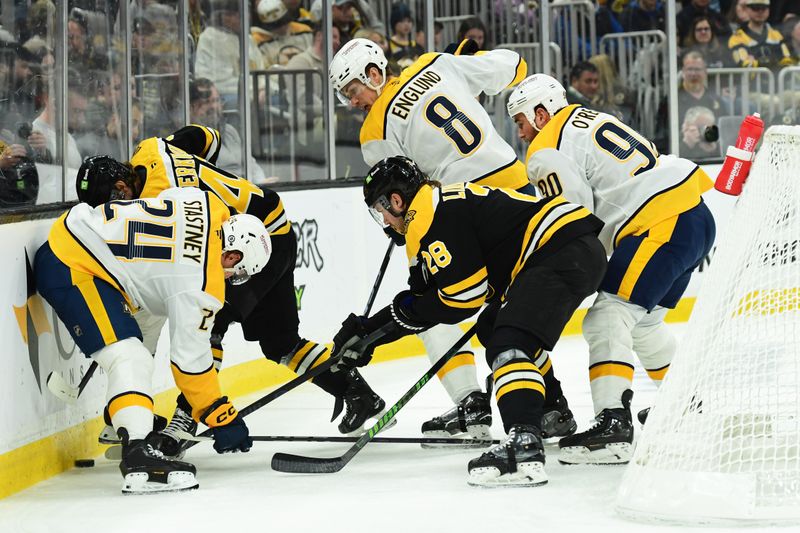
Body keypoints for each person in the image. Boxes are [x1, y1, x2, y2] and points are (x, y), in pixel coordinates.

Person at [75, 124, 385, 452]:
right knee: (280, 343)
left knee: (208, 325)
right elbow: (205, 136)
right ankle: (358, 394)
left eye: (112, 203)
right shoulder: (149, 150)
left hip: (246, 245)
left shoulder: (157, 200)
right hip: (273, 230)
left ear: (122, 187)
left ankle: (185, 421)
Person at [328, 38, 580, 442]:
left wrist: (400, 230)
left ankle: (471, 403)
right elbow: (515, 66)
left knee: (429, 304)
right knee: (507, 310)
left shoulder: (375, 129)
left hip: (456, 214)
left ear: (374, 74)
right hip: (517, 194)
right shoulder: (438, 63)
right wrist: (464, 65)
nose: (353, 102)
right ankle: (553, 407)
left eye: (353, 91)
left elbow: (399, 191)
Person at [329, 156, 606, 485]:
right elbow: (424, 301)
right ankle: (551, 410)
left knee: (510, 342)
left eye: (382, 210)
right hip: (569, 247)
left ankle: (524, 447)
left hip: (558, 250)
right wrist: (371, 333)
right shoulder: (434, 206)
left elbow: (462, 298)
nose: (386, 222)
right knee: (492, 327)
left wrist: (373, 333)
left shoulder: (428, 216)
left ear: (397, 200)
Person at [507, 74, 716, 464]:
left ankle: (612, 425)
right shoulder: (586, 118)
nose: (520, 133)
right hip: (693, 215)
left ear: (540, 113)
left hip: (659, 222)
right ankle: (685, 405)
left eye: (520, 122)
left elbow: (571, 217)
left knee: (607, 317)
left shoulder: (546, 147)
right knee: (645, 324)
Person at [35, 186, 269, 493]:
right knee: (131, 357)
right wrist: (220, 415)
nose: (231, 278)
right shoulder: (202, 285)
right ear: (232, 255)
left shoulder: (207, 201)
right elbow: (191, 361)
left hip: (77, 234)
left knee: (152, 312)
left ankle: (126, 410)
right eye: (235, 272)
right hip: (75, 266)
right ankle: (138, 453)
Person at [189, 77, 266, 183]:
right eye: (206, 102)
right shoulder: (191, 140)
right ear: (192, 108)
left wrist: (262, 183)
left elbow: (252, 165)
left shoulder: (230, 131)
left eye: (216, 100)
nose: (214, 106)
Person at [728, 0, 795, 70]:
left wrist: (757, 61)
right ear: (747, 9)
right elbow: (744, 64)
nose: (760, 11)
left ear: (768, 10)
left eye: (764, 8)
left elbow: (788, 61)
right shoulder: (737, 38)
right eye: (755, 8)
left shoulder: (777, 36)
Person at [251, 0, 313, 68]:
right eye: (277, 25)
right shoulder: (257, 41)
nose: (283, 28)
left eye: (284, 21)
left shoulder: (305, 31)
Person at [388, 2, 424, 68]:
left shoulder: (416, 46)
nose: (406, 24)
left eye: (409, 21)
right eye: (402, 21)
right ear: (394, 23)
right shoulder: (388, 45)